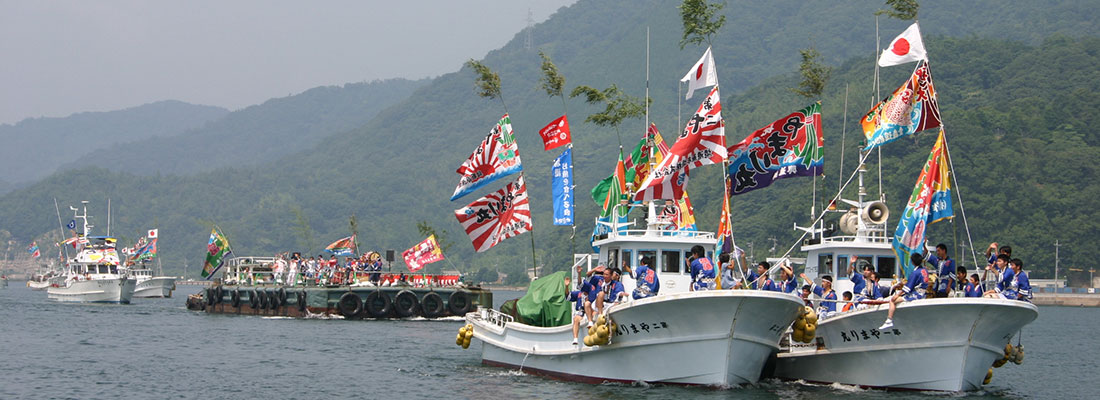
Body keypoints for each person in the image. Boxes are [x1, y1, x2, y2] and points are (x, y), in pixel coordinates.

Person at [879, 253, 929, 330]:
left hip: (916, 294)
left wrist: (897, 295)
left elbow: (908, 288)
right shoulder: (924, 270)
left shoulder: (915, 273)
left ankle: (889, 320)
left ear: (912, 262)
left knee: (892, 301)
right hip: (923, 293)